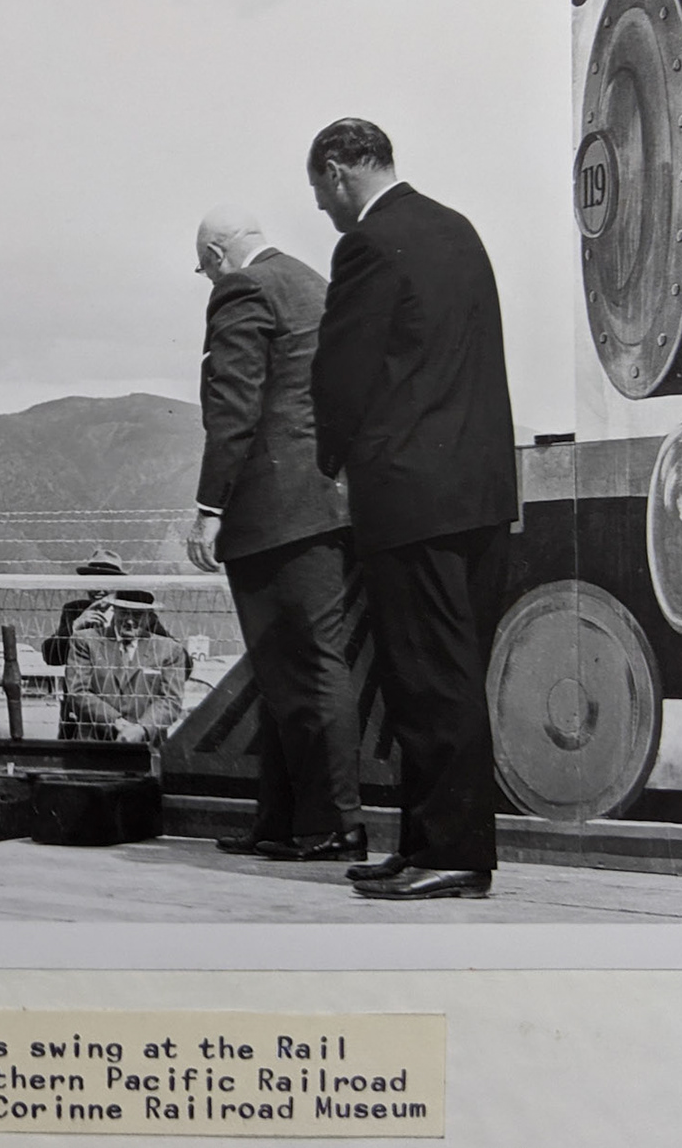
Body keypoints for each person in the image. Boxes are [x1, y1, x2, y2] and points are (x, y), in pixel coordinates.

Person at [307, 119, 517, 902]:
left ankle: (455, 852)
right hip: (482, 492)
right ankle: (429, 842)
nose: (325, 212)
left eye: (320, 195)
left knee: (425, 679)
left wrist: (331, 463)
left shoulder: (366, 242)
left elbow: (343, 371)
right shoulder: (457, 230)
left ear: (336, 171)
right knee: (452, 674)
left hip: (411, 495)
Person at [183, 205, 362, 864]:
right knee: (303, 665)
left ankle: (331, 823)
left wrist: (211, 504)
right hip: (327, 503)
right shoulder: (314, 283)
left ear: (217, 256)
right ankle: (288, 819)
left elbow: (233, 402)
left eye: (203, 268)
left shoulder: (241, 288)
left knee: (296, 668)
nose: (207, 280)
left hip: (270, 513)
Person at [58, 587, 190, 744]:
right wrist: (115, 722)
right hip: (94, 742)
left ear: (149, 617)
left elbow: (170, 700)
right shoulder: (85, 641)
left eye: (137, 614)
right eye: (124, 613)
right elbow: (77, 691)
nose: (129, 620)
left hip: (147, 746)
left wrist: (142, 729)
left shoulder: (169, 649)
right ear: (114, 610)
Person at [39, 547, 128, 668]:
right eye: (93, 582)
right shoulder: (74, 610)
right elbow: (51, 657)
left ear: (118, 585)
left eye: (105, 582)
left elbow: (157, 649)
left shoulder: (135, 612)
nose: (98, 589)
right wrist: (75, 626)